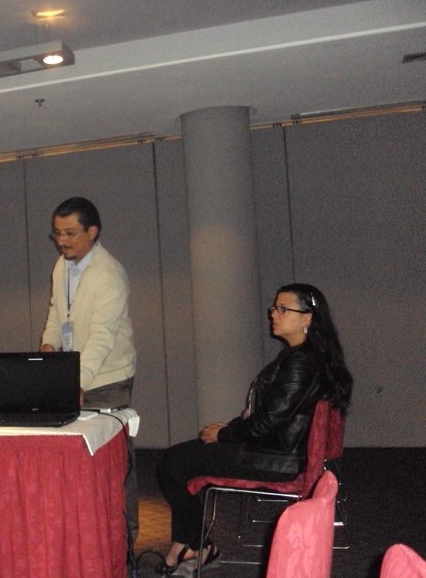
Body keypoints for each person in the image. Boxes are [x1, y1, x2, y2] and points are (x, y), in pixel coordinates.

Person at [155, 283, 353, 575]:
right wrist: (230, 430)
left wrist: (224, 434)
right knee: (177, 461)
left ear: (307, 318)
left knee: (173, 463)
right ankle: (187, 545)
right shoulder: (305, 356)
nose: (274, 314)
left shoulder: (301, 362)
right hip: (276, 451)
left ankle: (199, 546)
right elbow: (268, 417)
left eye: (283, 309)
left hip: (275, 460)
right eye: (274, 308)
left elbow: (266, 423)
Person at [39, 196, 139, 543]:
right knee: (77, 461)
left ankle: (124, 542)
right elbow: (57, 312)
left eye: (69, 233)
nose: (61, 241)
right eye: (57, 233)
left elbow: (101, 339)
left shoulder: (109, 275)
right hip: (74, 376)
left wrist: (75, 383)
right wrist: (48, 347)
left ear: (92, 232)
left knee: (113, 464)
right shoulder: (62, 266)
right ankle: (84, 536)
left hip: (108, 379)